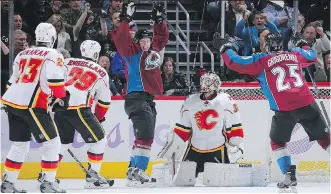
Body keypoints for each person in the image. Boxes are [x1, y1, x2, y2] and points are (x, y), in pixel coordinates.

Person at [220, 31, 330, 192]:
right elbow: (312, 55)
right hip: (306, 102)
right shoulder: (294, 54)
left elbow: (235, 62)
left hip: (284, 108)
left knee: (278, 143)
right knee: (326, 139)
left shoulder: (261, 60)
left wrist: (225, 48)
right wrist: (301, 44)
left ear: (266, 45)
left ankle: (289, 176)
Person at [1, 23, 69, 193]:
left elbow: (11, 81)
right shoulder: (53, 54)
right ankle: (48, 182)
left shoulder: (22, 53)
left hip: (12, 102)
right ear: (52, 38)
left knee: (20, 145)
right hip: (33, 104)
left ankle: (8, 182)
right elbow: (55, 81)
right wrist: (62, 97)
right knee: (53, 143)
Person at [110, 2, 169, 185]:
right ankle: (139, 170)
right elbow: (121, 39)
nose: (144, 43)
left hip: (147, 99)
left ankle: (133, 169)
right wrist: (125, 19)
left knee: (142, 136)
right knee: (146, 136)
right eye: (141, 40)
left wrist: (159, 21)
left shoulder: (154, 51)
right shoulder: (132, 52)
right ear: (136, 42)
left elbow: (162, 37)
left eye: (147, 40)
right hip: (136, 97)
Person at [158, 72, 244, 177]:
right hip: (195, 149)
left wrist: (235, 145)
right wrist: (173, 144)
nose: (205, 85)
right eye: (204, 82)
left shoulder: (225, 100)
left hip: (217, 149)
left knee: (218, 183)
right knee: (184, 181)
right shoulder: (191, 101)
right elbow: (183, 130)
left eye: (208, 82)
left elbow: (235, 128)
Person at [52, 40, 113, 189]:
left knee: (63, 142)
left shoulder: (67, 61)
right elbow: (103, 103)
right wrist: (98, 119)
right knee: (99, 140)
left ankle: (47, 175)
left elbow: (52, 80)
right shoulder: (101, 71)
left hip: (60, 106)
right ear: (96, 54)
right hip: (79, 108)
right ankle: (93, 178)